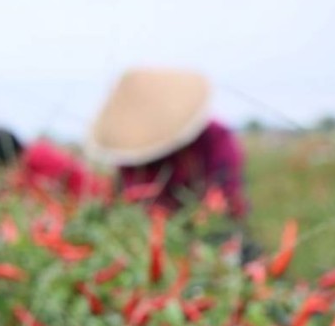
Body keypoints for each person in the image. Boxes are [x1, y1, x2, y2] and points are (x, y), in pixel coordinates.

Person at [85, 68, 248, 219]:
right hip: (157, 228)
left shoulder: (215, 138)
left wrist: (208, 213)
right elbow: (133, 198)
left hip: (212, 224)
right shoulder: (135, 152)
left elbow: (227, 193)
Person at [0, 128, 106, 200]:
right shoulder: (28, 161)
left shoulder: (37, 154)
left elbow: (54, 188)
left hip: (97, 198)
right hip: (86, 199)